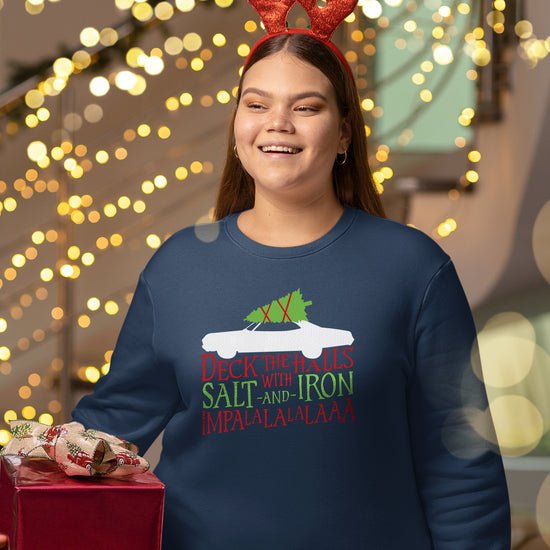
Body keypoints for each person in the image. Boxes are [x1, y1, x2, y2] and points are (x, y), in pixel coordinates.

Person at [1, 22, 511, 550]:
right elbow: (110, 427)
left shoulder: (413, 266)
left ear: (343, 133)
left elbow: (461, 465)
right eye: (257, 104)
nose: (279, 124)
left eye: (307, 107)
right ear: (238, 125)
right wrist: (38, 459)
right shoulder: (179, 265)